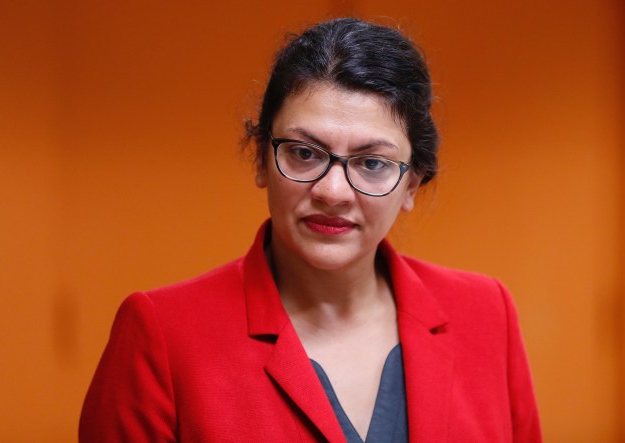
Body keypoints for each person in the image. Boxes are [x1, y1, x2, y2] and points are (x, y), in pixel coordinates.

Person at [79, 17, 542, 442]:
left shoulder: (485, 313)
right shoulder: (162, 334)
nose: (333, 191)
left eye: (373, 163)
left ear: (411, 184)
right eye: (304, 153)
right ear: (261, 158)